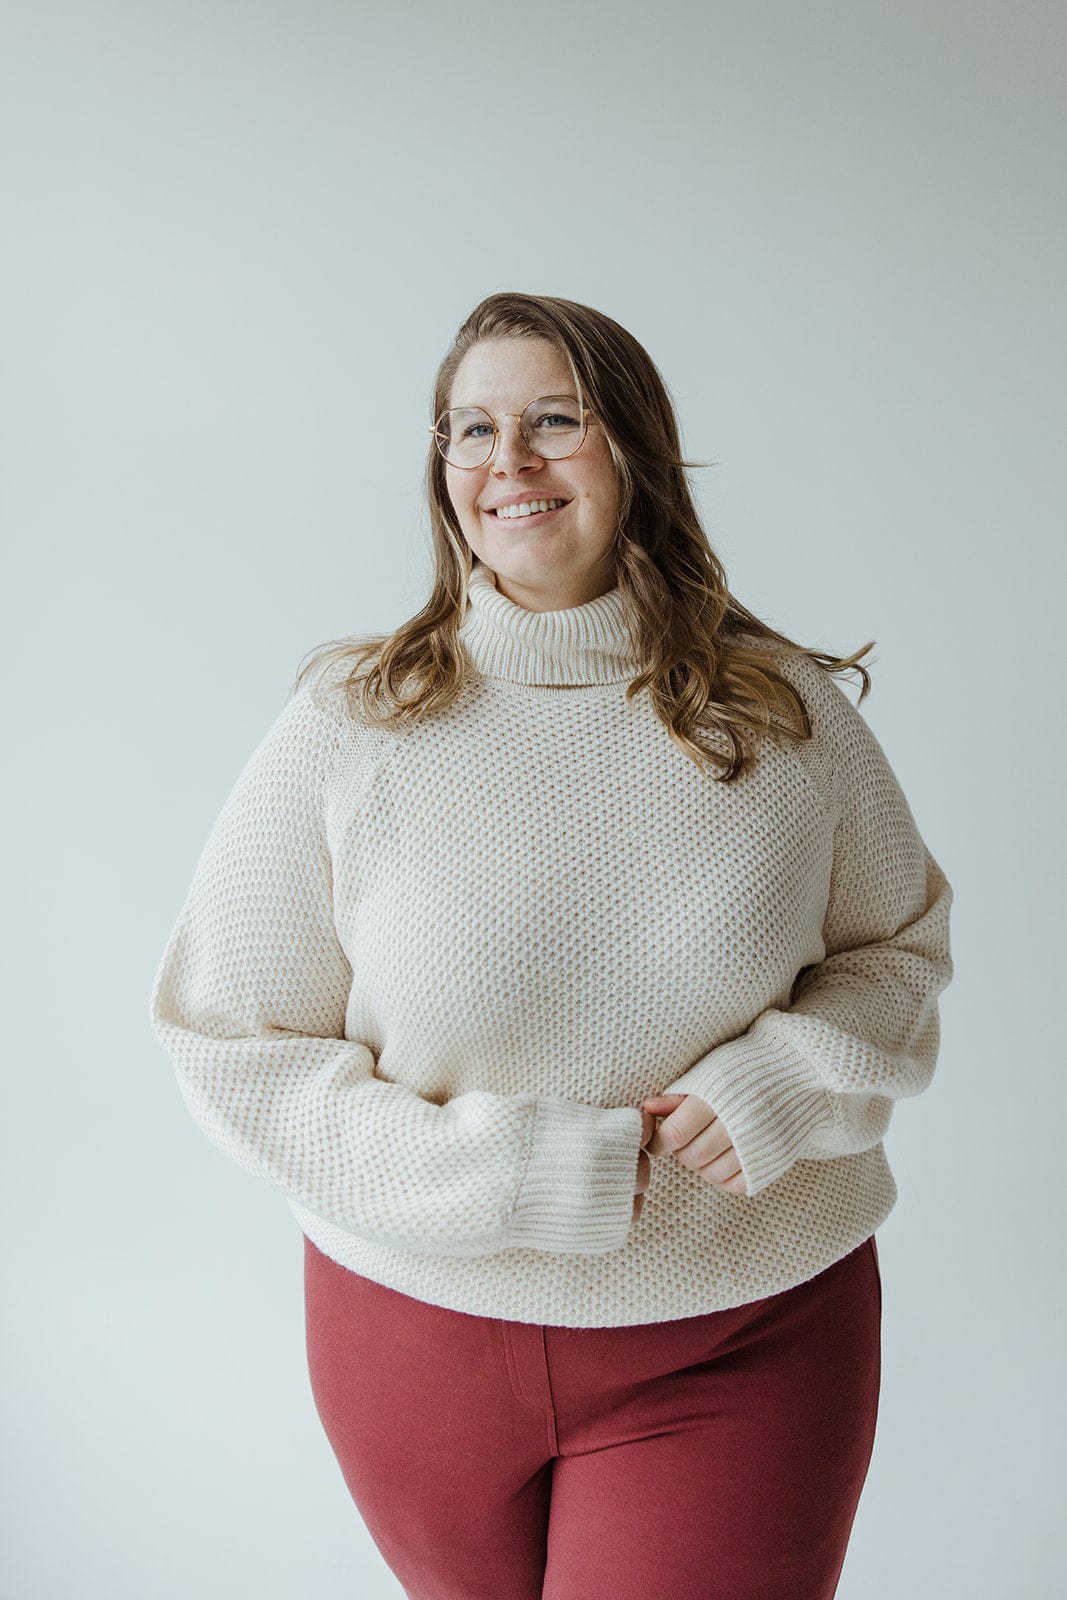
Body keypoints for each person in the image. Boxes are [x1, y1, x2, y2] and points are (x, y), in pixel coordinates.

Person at [149, 291, 954, 1600]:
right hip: (409, 1337)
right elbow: (229, 1041)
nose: (506, 463)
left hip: (735, 1332)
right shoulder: (352, 723)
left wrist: (785, 1085)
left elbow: (898, 957)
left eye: (552, 420)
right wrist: (502, 1172)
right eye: (471, 429)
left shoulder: (785, 718)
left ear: (630, 448)